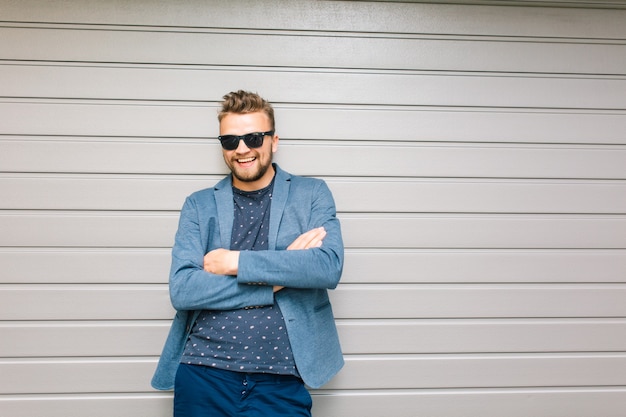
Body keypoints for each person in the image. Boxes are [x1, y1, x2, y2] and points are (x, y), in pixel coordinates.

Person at [151, 90, 345, 417]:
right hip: (203, 373)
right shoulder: (198, 205)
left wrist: (233, 262)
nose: (242, 149)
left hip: (281, 378)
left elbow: (327, 267)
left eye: (253, 137)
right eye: (230, 141)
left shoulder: (311, 194)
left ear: (274, 140)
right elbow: (183, 290)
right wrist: (278, 279)